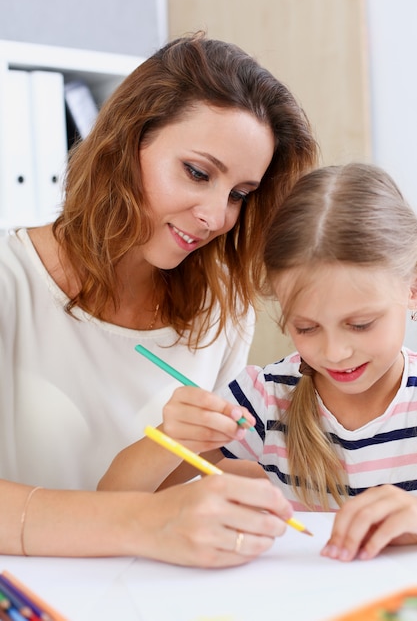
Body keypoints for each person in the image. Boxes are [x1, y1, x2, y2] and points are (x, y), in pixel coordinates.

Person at [0, 32, 318, 564]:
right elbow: (155, 518)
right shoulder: (12, 281)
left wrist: (236, 489)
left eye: (240, 194)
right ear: (129, 141)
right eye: (197, 172)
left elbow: (179, 485)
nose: (217, 217)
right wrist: (146, 524)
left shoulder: (222, 312)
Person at [100, 163, 417, 563]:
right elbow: (113, 504)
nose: (335, 352)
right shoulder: (262, 400)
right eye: (307, 327)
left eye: (360, 324)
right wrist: (172, 437)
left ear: (413, 289)